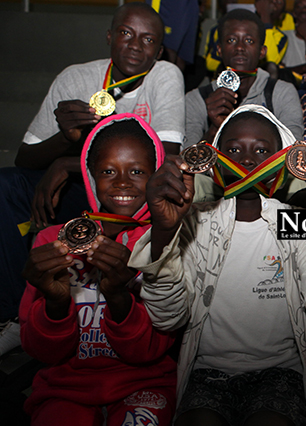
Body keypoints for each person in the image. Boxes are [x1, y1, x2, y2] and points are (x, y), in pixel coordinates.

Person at [129, 104, 306, 425]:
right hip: (207, 372)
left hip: (282, 372)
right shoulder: (196, 222)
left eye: (262, 150)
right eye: (233, 149)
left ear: (284, 163)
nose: (247, 160)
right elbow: (166, 318)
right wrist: (164, 231)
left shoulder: (299, 222)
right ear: (213, 160)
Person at [0, 2, 184, 347]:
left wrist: (70, 162)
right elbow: (26, 157)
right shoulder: (75, 77)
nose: (135, 45)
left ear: (159, 52)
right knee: (6, 185)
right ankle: (11, 313)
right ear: (110, 36)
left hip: (134, 195)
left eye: (147, 40)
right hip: (84, 192)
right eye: (126, 33)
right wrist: (63, 140)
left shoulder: (164, 75)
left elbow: (167, 159)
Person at [19, 113, 177, 425]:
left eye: (137, 171)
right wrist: (55, 303)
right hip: (65, 388)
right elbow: (42, 351)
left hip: (144, 383)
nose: (121, 182)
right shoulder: (52, 242)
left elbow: (150, 350)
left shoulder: (159, 244)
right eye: (108, 171)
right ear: (90, 175)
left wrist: (119, 296)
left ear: (156, 176)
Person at [184, 8, 303, 147]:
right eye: (231, 40)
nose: (240, 47)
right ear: (219, 50)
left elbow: (294, 151)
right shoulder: (196, 99)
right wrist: (214, 129)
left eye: (249, 40)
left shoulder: (282, 92)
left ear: (262, 51)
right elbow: (187, 161)